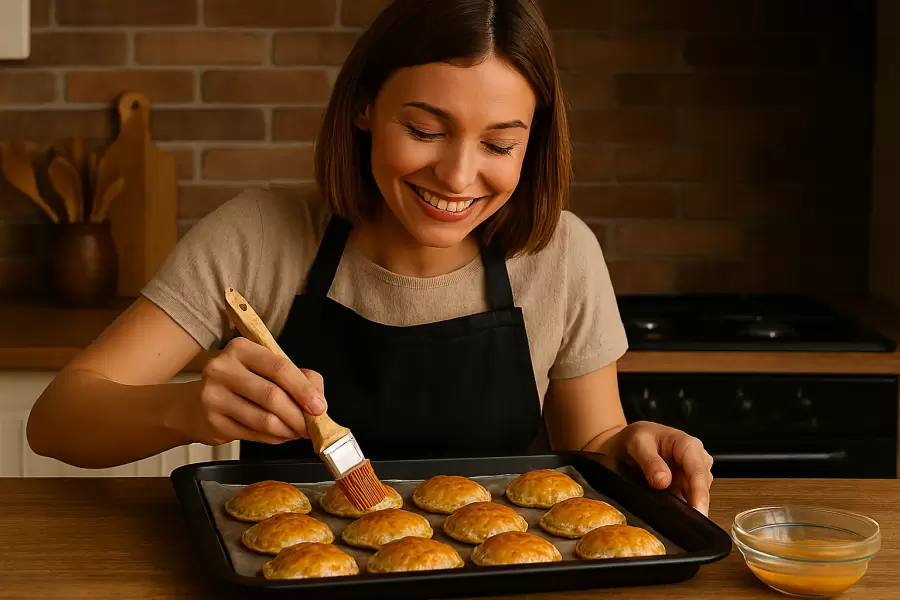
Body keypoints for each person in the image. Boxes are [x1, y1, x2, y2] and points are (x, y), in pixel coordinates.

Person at [26, 0, 713, 515]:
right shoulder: (258, 236)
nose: (457, 175)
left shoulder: (560, 252)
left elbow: (592, 440)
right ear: (362, 107)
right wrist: (186, 413)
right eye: (423, 129)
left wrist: (632, 450)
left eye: (499, 144)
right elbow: (57, 419)